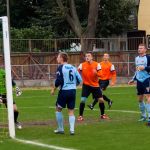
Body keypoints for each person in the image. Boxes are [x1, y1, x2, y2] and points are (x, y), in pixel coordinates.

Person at [51, 52, 82, 135]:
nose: (57, 58)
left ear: (61, 58)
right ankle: (72, 130)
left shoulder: (61, 67)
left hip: (64, 91)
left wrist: (53, 89)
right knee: (71, 111)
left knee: (58, 109)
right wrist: (73, 85)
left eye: (58, 57)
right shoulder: (73, 67)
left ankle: (61, 129)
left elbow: (59, 80)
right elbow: (79, 79)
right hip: (73, 91)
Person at [77, 51, 109, 121]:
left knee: (101, 100)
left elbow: (101, 75)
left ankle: (102, 115)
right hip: (86, 85)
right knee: (82, 100)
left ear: (92, 57)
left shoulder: (97, 64)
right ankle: (80, 116)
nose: (87, 57)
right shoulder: (82, 65)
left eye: (88, 56)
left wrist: (96, 73)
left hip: (95, 86)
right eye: (86, 56)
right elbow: (77, 72)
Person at [128, 43, 150, 126]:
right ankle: (143, 116)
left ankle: (149, 117)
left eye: (141, 48)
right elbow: (137, 70)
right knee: (140, 99)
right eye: (138, 48)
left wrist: (144, 68)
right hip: (139, 81)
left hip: (147, 80)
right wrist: (133, 79)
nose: (139, 49)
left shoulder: (148, 57)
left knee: (148, 97)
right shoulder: (136, 58)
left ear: (145, 50)